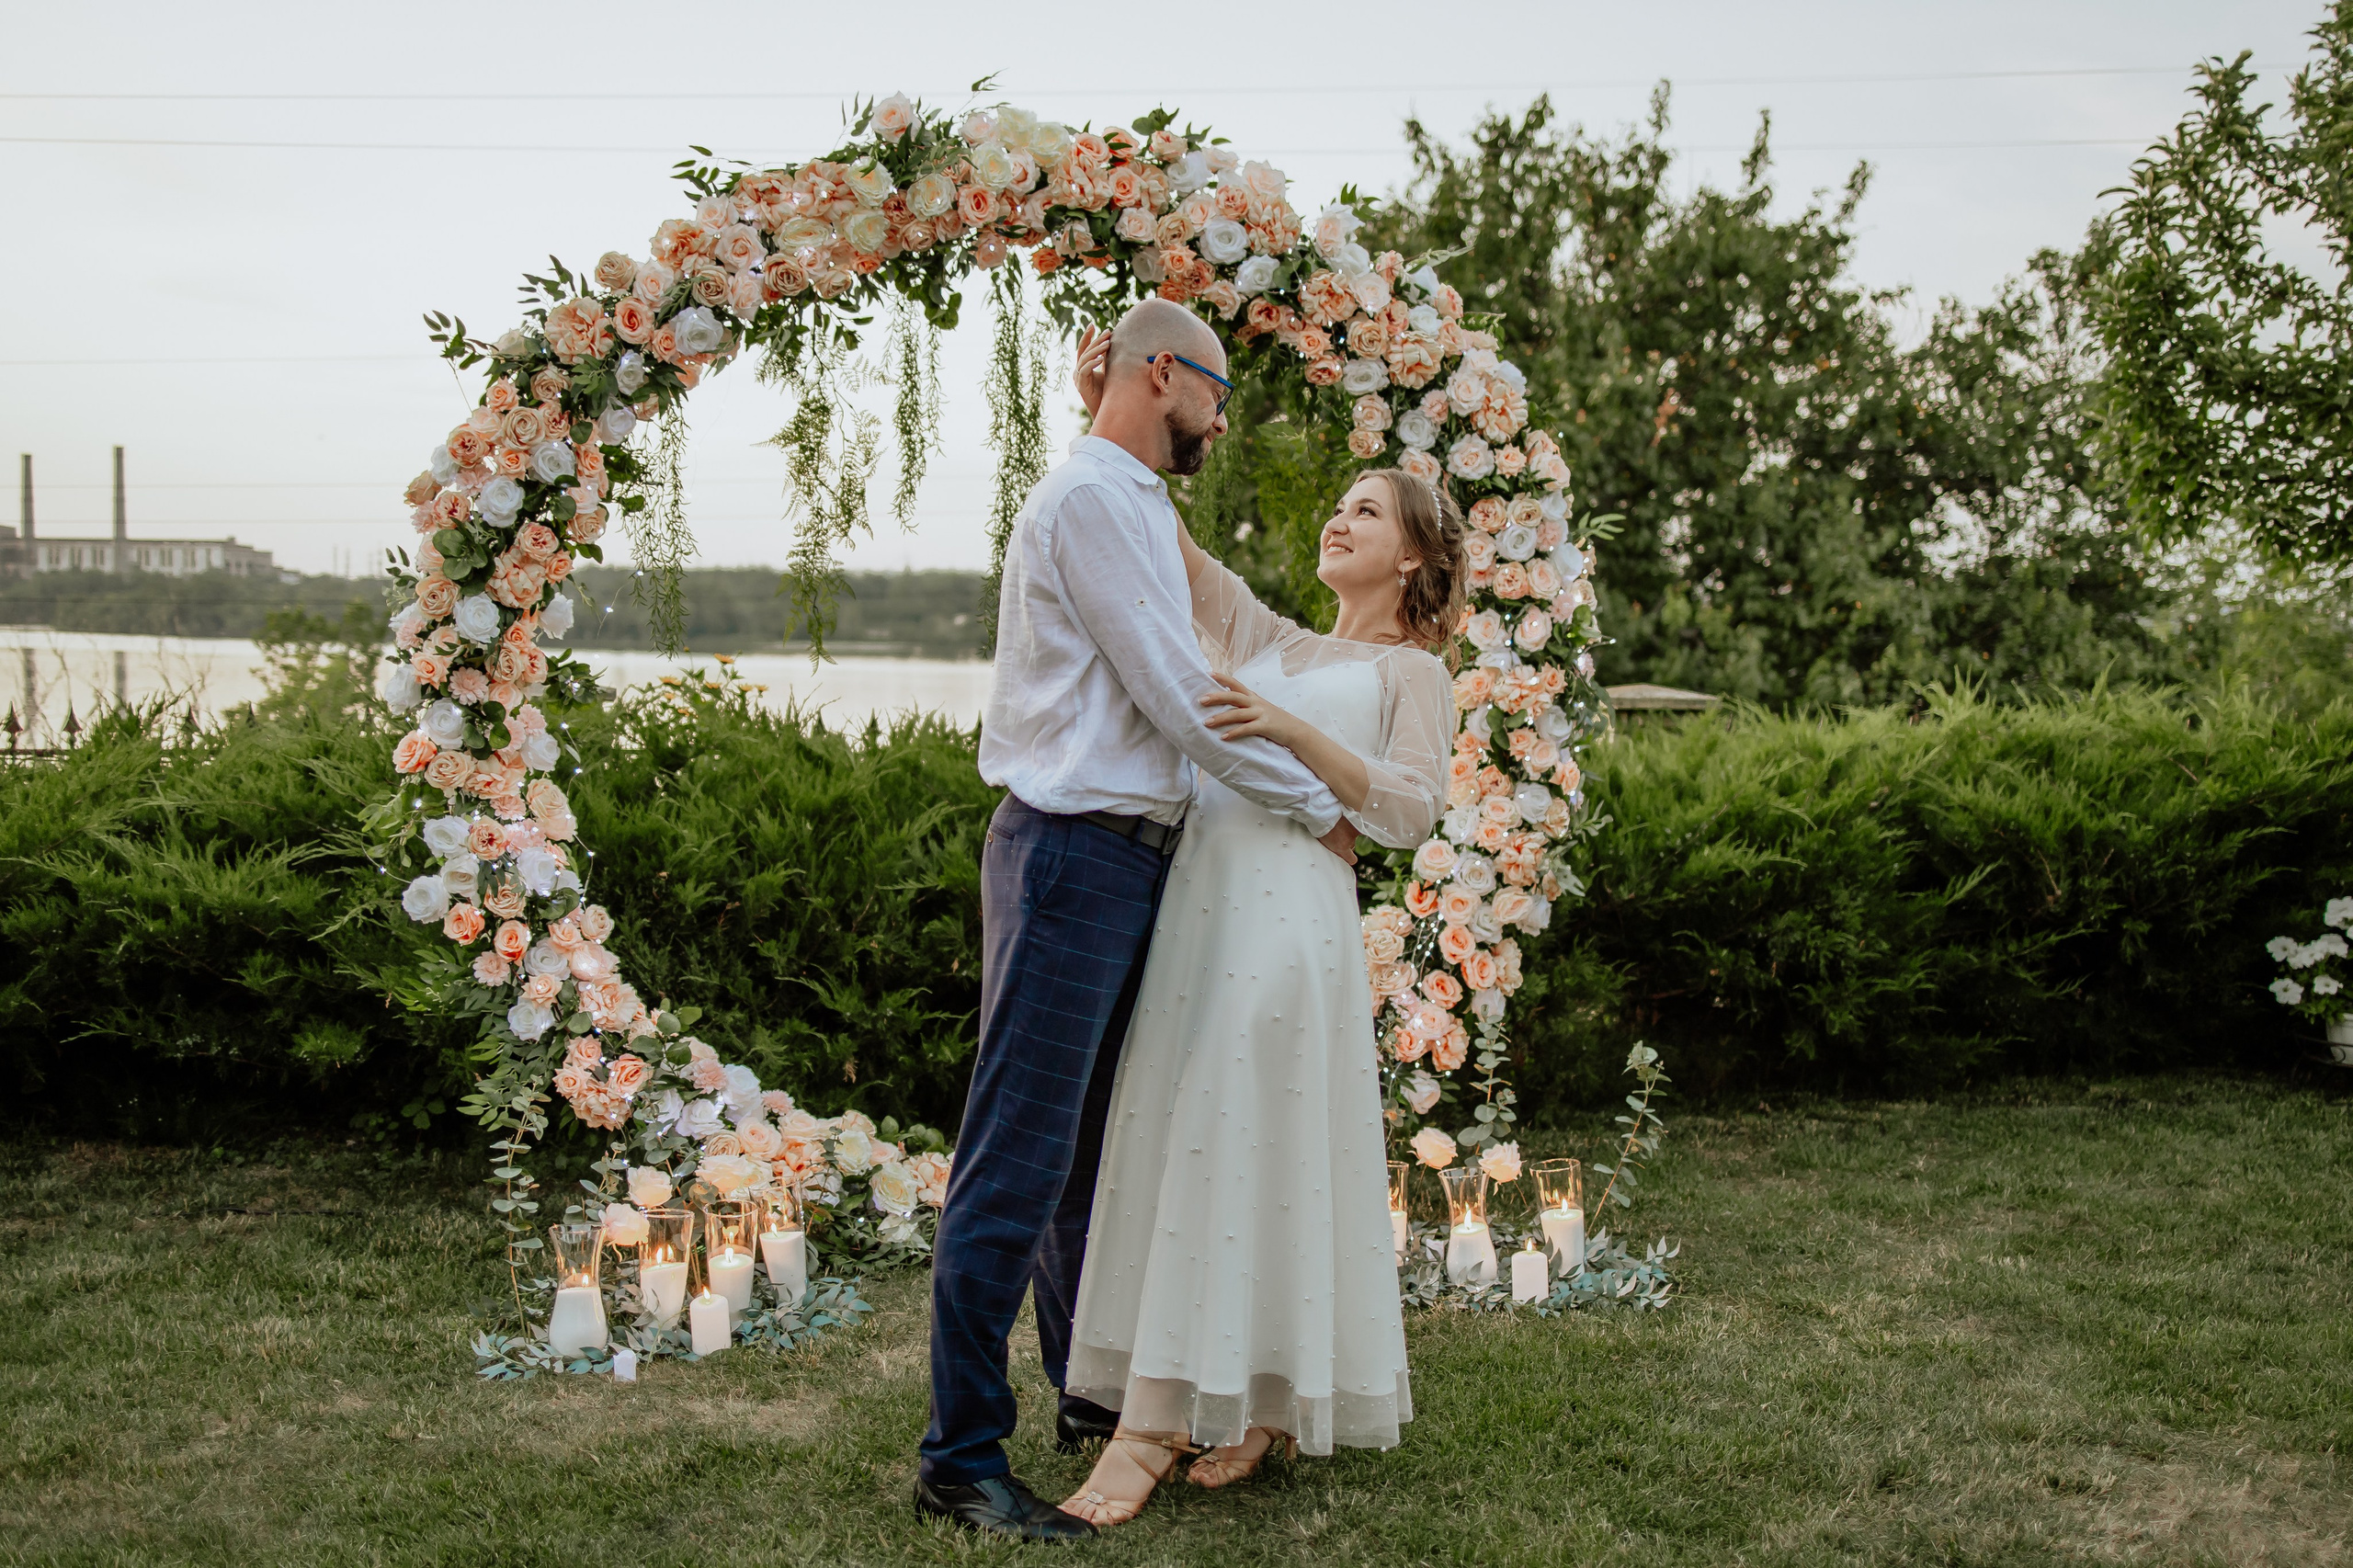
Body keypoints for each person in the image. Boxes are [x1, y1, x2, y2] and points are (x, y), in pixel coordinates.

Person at [915, 298, 1361, 1543]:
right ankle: (959, 1454)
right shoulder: (1095, 502)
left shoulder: (1137, 507)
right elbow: (1182, 698)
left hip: (1123, 859)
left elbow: (1216, 674)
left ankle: (1086, 1388)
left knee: (1090, 1159)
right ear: (1161, 373)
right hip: (1071, 852)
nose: (1222, 417)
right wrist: (1326, 809)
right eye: (1217, 392)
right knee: (1015, 1158)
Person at [1054, 328, 1464, 1528]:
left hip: (1291, 922)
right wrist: (1107, 403)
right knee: (1207, 1130)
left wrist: (1292, 737)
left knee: (1236, 1135)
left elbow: (1404, 812)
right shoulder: (1275, 637)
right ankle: (1263, 1398)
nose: (1340, 520)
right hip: (1202, 907)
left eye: (1369, 512)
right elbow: (1166, 548)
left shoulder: (1413, 675)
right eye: (1340, 504)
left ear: (1417, 556)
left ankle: (1147, 1430)